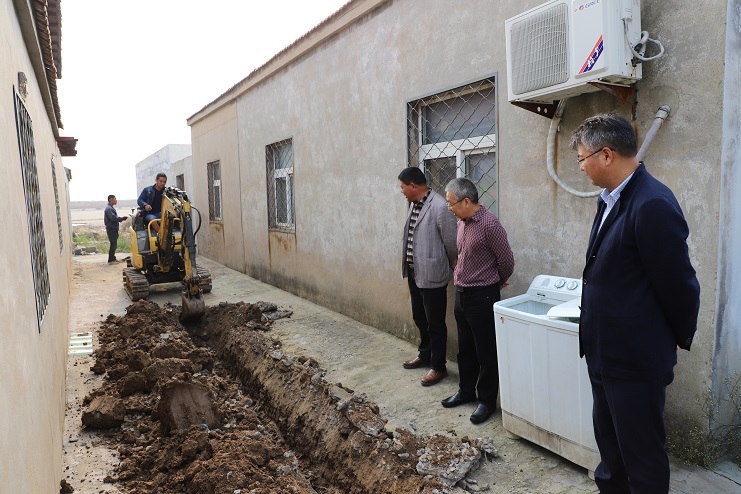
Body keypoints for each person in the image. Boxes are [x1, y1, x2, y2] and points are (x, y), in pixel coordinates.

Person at [571, 113, 700, 493]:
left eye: (582, 159)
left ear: (606, 155)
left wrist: (668, 342)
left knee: (641, 460)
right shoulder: (610, 199)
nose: (581, 167)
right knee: (611, 453)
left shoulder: (651, 203)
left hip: (635, 360)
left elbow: (680, 285)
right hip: (604, 352)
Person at [441, 177, 514, 425]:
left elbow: (506, 261)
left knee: (486, 352)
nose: (448, 208)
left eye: (451, 203)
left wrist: (496, 281)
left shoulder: (490, 225)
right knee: (465, 349)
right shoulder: (462, 223)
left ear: (466, 201)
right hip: (462, 294)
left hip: (483, 296)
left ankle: (486, 401)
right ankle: (465, 391)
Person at [398, 167, 457, 386]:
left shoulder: (439, 206)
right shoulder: (415, 204)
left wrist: (447, 266)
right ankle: (425, 354)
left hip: (432, 274)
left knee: (435, 323)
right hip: (415, 272)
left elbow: (452, 244)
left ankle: (438, 366)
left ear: (413, 186)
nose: (402, 191)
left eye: (403, 187)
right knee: (419, 317)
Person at [103, 194, 128, 263]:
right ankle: (111, 259)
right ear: (110, 200)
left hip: (113, 228)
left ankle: (112, 258)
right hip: (111, 229)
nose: (116, 200)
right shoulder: (109, 209)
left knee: (114, 244)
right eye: (115, 199)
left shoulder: (110, 208)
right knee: (113, 244)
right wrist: (122, 218)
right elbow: (113, 218)